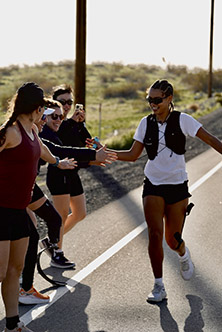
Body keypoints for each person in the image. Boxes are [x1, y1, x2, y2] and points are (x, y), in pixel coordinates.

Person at [105, 79, 222, 303]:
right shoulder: (145, 123)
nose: (152, 103)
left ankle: (183, 254)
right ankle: (159, 285)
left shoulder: (183, 120)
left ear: (169, 99)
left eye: (157, 100)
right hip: (153, 185)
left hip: (178, 186)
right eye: (149, 99)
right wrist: (105, 152)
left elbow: (209, 139)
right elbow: (132, 155)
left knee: (172, 240)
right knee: (155, 234)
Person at [19, 108, 116, 305]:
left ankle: (25, 284)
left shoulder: (35, 134)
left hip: (27, 186)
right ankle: (21, 281)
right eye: (43, 116)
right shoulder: (15, 134)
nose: (46, 121)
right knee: (25, 238)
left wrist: (84, 157)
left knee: (47, 224)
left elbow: (57, 151)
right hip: (13, 189)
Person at [0, 82, 76, 332]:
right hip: (1, 210)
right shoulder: (10, 132)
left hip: (19, 211)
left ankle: (12, 325)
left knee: (15, 269)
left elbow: (42, 149)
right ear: (33, 107)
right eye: (41, 107)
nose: (42, 112)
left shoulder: (32, 129)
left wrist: (58, 162)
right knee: (0, 272)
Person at [39, 102, 116, 268]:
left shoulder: (63, 126)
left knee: (79, 213)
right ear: (45, 114)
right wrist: (93, 155)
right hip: (58, 174)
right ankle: (56, 252)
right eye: (55, 115)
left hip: (71, 171)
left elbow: (80, 144)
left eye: (69, 103)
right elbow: (61, 151)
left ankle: (51, 240)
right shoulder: (45, 131)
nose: (66, 108)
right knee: (59, 216)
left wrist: (92, 158)